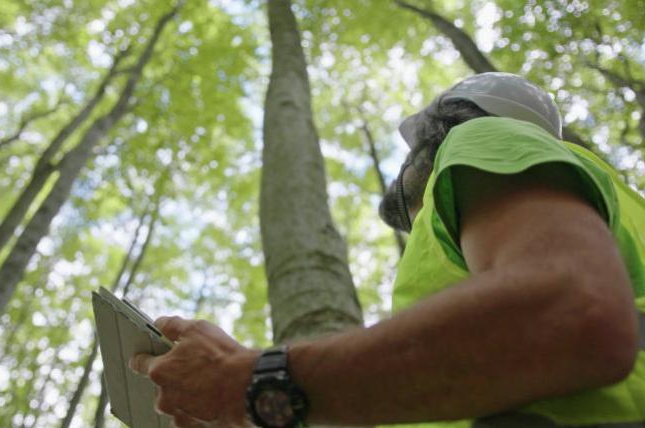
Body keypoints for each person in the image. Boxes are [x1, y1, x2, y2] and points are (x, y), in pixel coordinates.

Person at [130, 72, 645, 428]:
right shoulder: (600, 200)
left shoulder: (482, 138)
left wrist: (250, 381)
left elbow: (571, 312)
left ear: (443, 128)